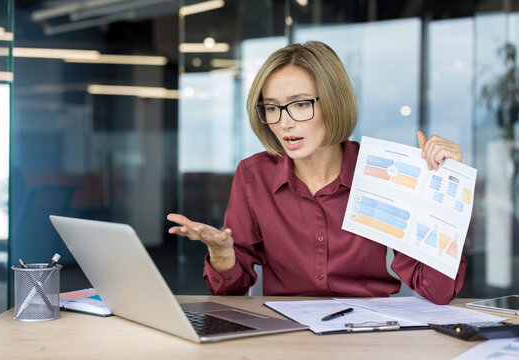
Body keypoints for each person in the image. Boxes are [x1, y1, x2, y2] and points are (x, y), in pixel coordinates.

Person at [168, 41, 466, 305]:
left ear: (333, 102)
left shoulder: (381, 172)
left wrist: (443, 191)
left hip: (368, 334)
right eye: (272, 108)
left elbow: (437, 291)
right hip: (286, 336)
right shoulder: (253, 175)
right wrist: (222, 253)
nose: (284, 122)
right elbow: (230, 292)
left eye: (300, 104)